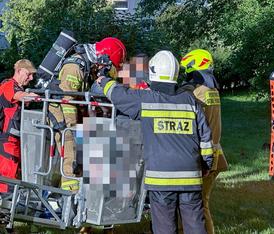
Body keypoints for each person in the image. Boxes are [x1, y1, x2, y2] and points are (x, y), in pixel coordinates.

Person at [97, 50, 214, 234]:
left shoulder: (145, 100)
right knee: (195, 225)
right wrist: (206, 164)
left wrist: (103, 79)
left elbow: (118, 94)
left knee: (165, 227)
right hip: (191, 175)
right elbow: (206, 137)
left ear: (152, 73)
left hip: (161, 179)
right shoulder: (190, 101)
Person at [48, 37, 126, 192]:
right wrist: (73, 128)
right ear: (104, 58)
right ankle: (69, 197)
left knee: (79, 155)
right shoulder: (75, 67)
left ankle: (77, 195)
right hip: (61, 116)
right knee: (70, 154)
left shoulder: (87, 66)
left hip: (71, 115)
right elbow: (67, 100)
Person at [180, 49, 228, 234]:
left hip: (203, 159)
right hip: (215, 156)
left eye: (187, 71)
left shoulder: (197, 93)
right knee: (200, 204)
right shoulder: (212, 90)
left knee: (198, 206)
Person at [0, 59, 37, 193]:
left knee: (13, 176)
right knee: (7, 178)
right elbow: (18, 95)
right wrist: (29, 96)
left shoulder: (15, 86)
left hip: (13, 140)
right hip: (6, 141)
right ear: (19, 71)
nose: (31, 78)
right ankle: (5, 207)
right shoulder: (9, 85)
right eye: (29, 74)